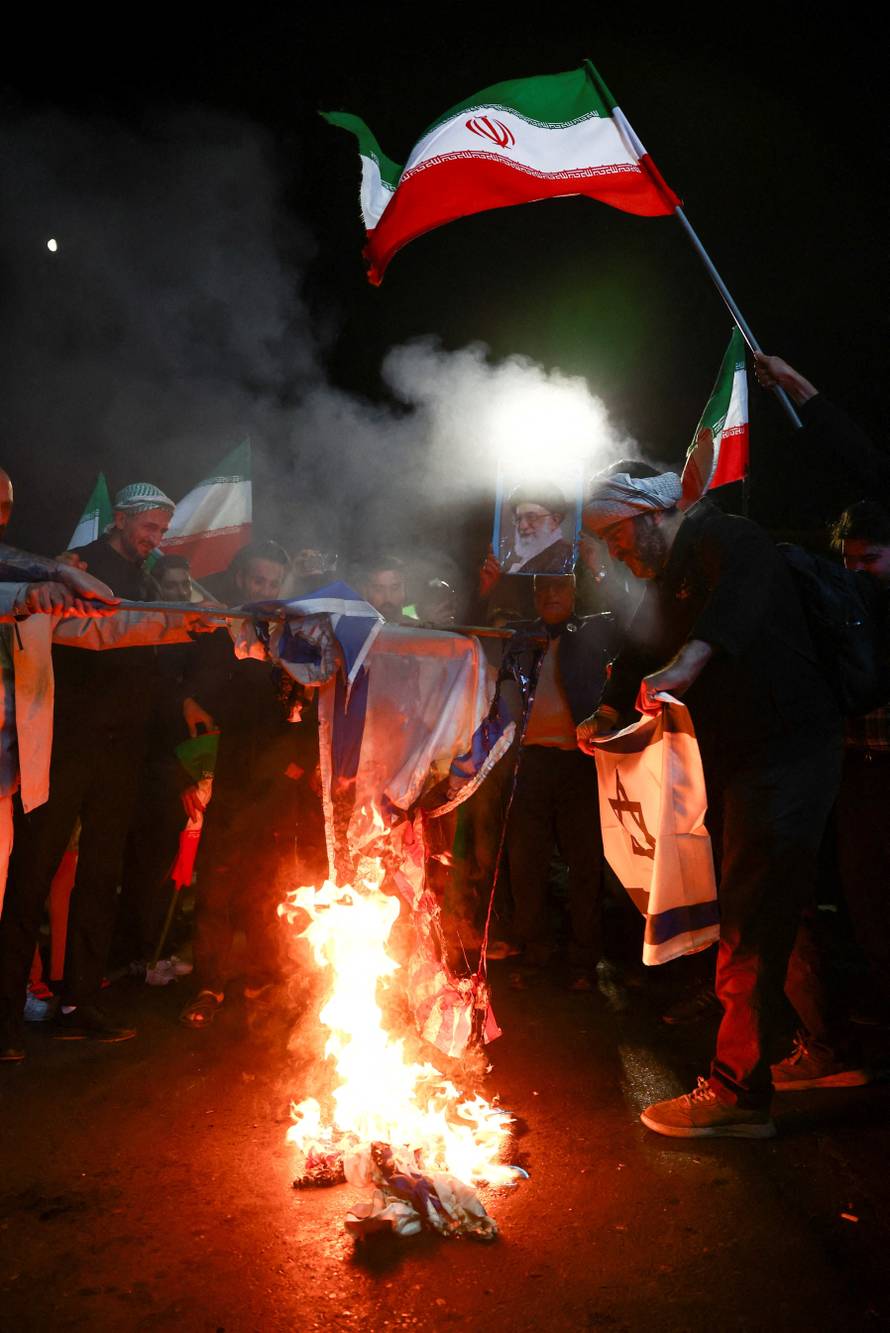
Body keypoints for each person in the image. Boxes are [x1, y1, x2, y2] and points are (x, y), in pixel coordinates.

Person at [580, 469, 844, 1137]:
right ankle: (830, 1046)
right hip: (738, 761)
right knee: (780, 902)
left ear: (651, 511)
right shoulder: (672, 575)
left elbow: (741, 602)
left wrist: (690, 661)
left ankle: (736, 1096)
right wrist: (609, 707)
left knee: (751, 918)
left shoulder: (730, 537)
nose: (614, 550)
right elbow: (642, 639)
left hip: (786, 750)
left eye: (615, 533)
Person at [0, 480, 205, 1051]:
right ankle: (6, 1018)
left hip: (122, 750)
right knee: (31, 877)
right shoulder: (73, 567)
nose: (156, 539)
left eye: (163, 531)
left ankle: (79, 1002)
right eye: (149, 528)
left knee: (100, 877)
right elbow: (82, 636)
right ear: (121, 518)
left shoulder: (151, 577)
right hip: (64, 743)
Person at [179, 542, 326, 1028]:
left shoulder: (295, 637)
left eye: (271, 583)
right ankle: (209, 984)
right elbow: (193, 697)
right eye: (256, 581)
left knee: (268, 888)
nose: (263, 591)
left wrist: (298, 766)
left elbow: (312, 710)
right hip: (228, 778)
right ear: (242, 580)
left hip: (279, 785)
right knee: (216, 889)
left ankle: (265, 976)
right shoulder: (220, 632)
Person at [506, 573, 617, 989]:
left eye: (561, 587)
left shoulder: (593, 629)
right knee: (526, 861)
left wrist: (598, 564)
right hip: (529, 763)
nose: (551, 595)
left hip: (580, 763)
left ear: (575, 592)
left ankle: (584, 960)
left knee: (584, 862)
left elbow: (630, 611)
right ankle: (535, 949)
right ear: (533, 594)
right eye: (543, 588)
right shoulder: (520, 636)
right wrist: (491, 582)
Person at [359, 555, 417, 624]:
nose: (388, 598)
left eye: (395, 588)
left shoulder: (421, 629)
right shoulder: (353, 630)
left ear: (405, 590)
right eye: (379, 589)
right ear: (365, 591)